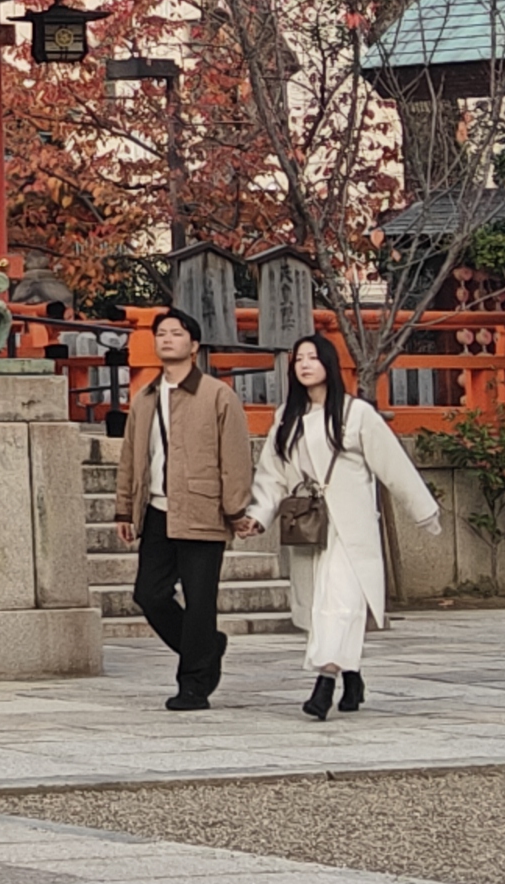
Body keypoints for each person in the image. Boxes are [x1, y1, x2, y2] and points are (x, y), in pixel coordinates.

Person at [244, 336, 440, 721]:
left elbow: (393, 464)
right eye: (298, 359)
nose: (304, 365)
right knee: (322, 605)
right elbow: (273, 476)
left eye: (313, 358)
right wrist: (258, 513)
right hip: (310, 523)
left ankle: (324, 684)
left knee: (342, 601)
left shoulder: (356, 414)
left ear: (329, 364)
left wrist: (423, 511)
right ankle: (353, 675)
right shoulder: (287, 417)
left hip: (351, 526)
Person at [124, 308, 253, 713]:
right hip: (157, 509)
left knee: (200, 601)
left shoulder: (217, 395)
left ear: (193, 345)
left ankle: (194, 684)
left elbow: (234, 456)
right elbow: (131, 456)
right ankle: (207, 648)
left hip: (203, 509)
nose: (166, 339)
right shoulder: (145, 397)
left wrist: (236, 509)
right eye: (160, 333)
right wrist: (124, 509)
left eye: (176, 333)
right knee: (149, 594)